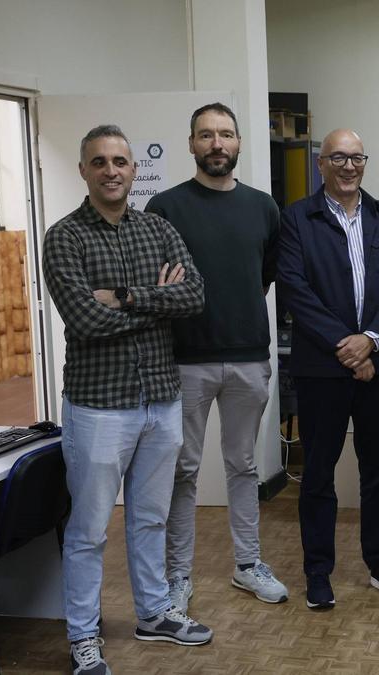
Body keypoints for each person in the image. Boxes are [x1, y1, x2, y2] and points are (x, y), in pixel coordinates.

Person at [43, 124, 212, 675]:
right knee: (89, 530)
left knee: (150, 519)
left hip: (160, 398)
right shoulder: (64, 237)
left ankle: (155, 613)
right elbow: (84, 320)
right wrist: (158, 302)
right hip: (98, 406)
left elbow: (194, 295)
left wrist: (126, 297)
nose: (111, 171)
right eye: (99, 162)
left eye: (120, 161)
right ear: (84, 171)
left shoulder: (157, 228)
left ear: (134, 169)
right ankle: (83, 637)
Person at [145, 102, 287, 609]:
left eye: (225, 134)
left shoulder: (264, 207)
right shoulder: (165, 207)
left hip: (249, 356)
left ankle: (248, 565)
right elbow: (156, 285)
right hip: (185, 360)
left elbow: (263, 276)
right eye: (205, 135)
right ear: (191, 144)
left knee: (243, 465)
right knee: (182, 470)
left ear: (239, 142)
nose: (216, 143)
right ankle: (177, 576)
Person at [277, 128, 379, 610]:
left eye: (356, 157)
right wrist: (348, 346)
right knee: (318, 474)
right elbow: (294, 289)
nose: (349, 166)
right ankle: (318, 572)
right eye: (338, 157)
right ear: (321, 164)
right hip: (322, 370)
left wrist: (371, 340)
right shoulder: (298, 218)